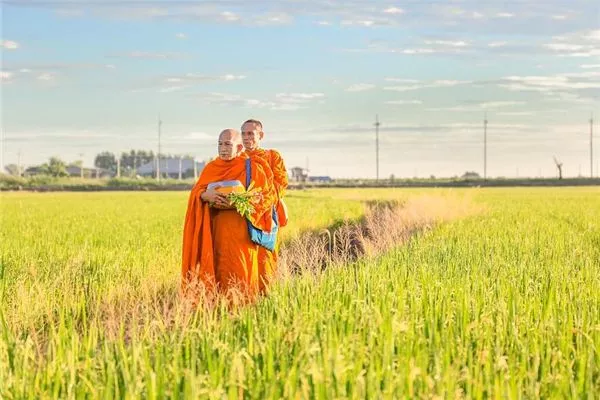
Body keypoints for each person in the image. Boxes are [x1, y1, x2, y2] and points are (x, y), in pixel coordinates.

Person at [181, 128, 277, 305]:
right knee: (218, 271)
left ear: (240, 147)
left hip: (242, 235)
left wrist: (240, 202)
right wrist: (204, 196)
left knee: (242, 273)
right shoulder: (211, 167)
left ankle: (244, 312)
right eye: (219, 144)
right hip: (216, 233)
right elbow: (197, 191)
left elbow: (266, 197)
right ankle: (218, 313)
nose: (222, 148)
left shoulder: (253, 167)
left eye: (227, 144)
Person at [241, 119, 289, 293]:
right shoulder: (237, 158)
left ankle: (265, 298)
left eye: (250, 134)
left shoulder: (272, 156)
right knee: (244, 262)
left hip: (265, 218)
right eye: (243, 134)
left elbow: (280, 186)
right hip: (240, 218)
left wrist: (257, 199)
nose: (246, 138)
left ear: (260, 135)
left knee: (265, 261)